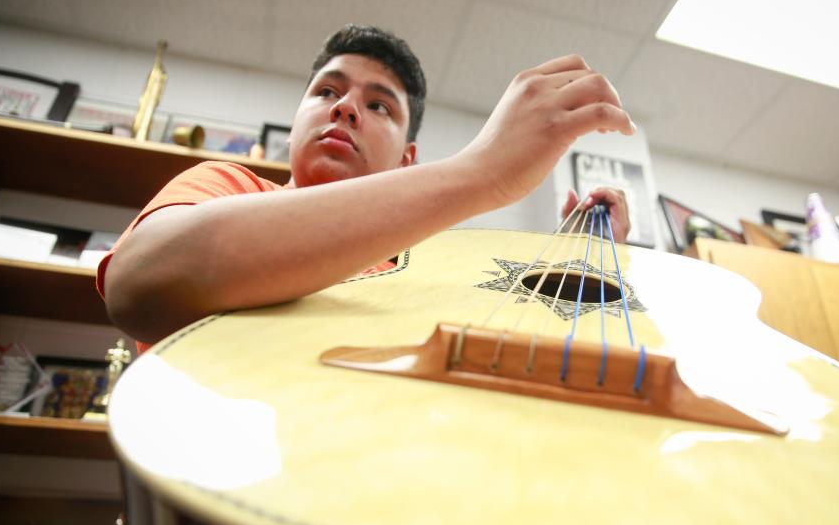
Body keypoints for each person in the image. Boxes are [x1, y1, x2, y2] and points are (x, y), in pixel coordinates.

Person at [99, 24, 635, 352]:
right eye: (327, 90)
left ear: (407, 159)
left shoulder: (429, 263)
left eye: (378, 105)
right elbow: (139, 284)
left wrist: (595, 255)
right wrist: (482, 171)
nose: (345, 107)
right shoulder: (223, 185)